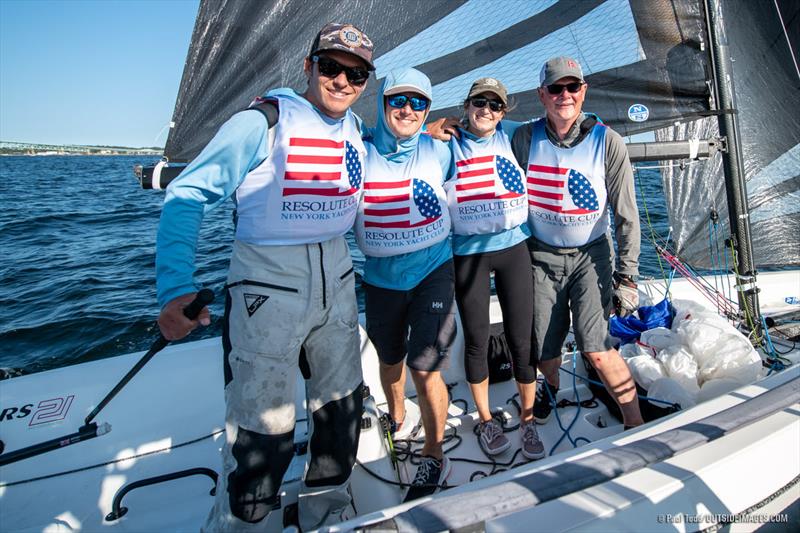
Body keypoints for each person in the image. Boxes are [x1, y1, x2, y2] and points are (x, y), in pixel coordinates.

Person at [155, 23, 375, 532]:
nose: (343, 81)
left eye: (357, 74)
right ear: (308, 66)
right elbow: (187, 196)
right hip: (265, 291)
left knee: (341, 415)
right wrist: (174, 289)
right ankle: (241, 528)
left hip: (338, 283)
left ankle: (326, 516)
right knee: (263, 436)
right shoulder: (262, 122)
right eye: (331, 67)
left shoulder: (357, 130)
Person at [509, 56, 644, 429]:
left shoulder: (608, 141)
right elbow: (483, 134)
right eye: (555, 88)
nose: (564, 95)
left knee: (597, 348)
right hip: (540, 256)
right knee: (545, 349)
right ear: (542, 94)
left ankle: (635, 421)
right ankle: (548, 390)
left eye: (572, 87)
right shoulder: (523, 137)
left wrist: (627, 277)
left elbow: (626, 215)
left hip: (591, 257)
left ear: (583, 91)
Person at [354, 67, 455, 502]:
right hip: (381, 278)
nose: (408, 109)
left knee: (423, 364)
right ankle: (397, 415)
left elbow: (495, 132)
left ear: (428, 109)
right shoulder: (355, 148)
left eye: (419, 103)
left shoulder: (440, 149)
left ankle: (434, 452)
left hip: (434, 270)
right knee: (389, 358)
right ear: (381, 103)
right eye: (398, 100)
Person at [444, 78, 543, 459]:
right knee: (477, 338)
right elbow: (403, 140)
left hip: (513, 248)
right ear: (466, 105)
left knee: (522, 338)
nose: (486, 110)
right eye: (479, 102)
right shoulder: (447, 143)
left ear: (504, 112)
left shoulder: (514, 135)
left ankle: (529, 419)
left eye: (495, 105)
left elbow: (557, 125)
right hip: (469, 253)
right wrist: (433, 126)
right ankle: (486, 419)